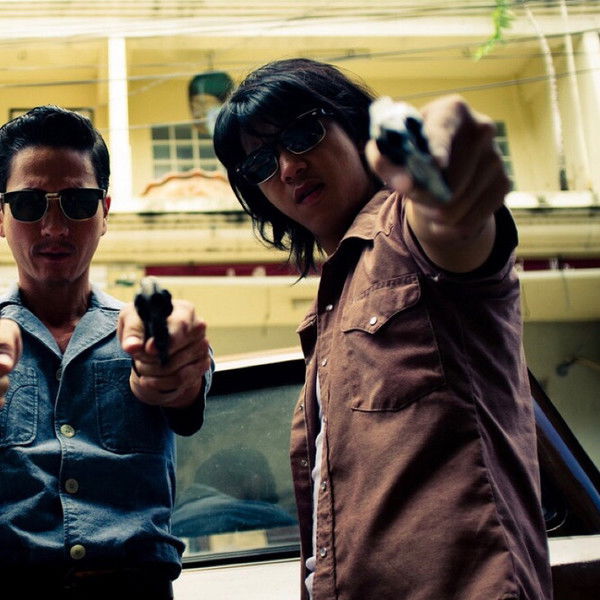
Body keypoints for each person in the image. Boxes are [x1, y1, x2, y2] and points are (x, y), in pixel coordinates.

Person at [213, 58, 552, 599]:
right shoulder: (328, 310)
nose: (288, 167)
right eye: (260, 162)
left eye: (302, 135)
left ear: (356, 124)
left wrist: (445, 184)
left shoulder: (405, 231)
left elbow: (451, 224)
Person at [0, 105, 213, 599]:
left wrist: (169, 365)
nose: (54, 227)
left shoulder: (153, 330)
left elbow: (185, 391)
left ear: (105, 213)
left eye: (77, 202)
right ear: (1, 217)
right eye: (29, 204)